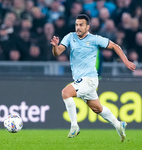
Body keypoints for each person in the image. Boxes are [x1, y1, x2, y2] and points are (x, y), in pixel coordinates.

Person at [50, 14, 136, 142]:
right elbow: (57, 53)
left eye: (81, 25)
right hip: (80, 81)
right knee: (97, 108)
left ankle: (74, 126)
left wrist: (126, 61)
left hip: (89, 79)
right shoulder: (70, 37)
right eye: (77, 25)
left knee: (65, 92)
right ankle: (119, 125)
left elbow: (115, 46)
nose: (78, 27)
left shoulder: (95, 39)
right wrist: (54, 46)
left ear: (87, 27)